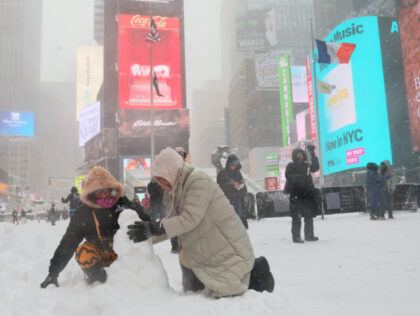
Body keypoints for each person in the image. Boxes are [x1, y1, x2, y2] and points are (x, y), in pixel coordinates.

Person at [127, 148, 274, 297]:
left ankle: (258, 271)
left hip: (225, 242)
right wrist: (145, 237)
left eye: (162, 179)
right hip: (206, 246)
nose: (162, 185)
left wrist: (154, 229)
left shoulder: (197, 180)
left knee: (227, 284)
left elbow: (190, 218)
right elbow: (172, 224)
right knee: (197, 289)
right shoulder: (174, 189)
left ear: (171, 171)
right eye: (158, 180)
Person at [40, 166, 150, 288]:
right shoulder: (83, 212)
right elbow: (68, 243)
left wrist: (145, 220)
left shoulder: (123, 203)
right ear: (92, 194)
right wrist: (53, 272)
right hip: (99, 256)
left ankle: (133, 279)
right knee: (83, 252)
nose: (104, 194)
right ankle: (100, 282)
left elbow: (146, 225)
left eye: (107, 190)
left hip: (125, 255)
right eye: (99, 191)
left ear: (113, 189)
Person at [285, 145, 320, 243]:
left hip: (307, 194)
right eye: (298, 154)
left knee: (309, 215)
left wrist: (312, 152)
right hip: (296, 194)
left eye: (301, 154)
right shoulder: (291, 166)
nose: (300, 156)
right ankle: (296, 237)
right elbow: (288, 175)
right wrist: (300, 178)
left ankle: (309, 235)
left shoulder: (307, 165)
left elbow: (316, 167)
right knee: (297, 217)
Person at [216, 154, 248, 228]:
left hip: (238, 198)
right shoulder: (222, 173)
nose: (234, 166)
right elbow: (221, 186)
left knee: (239, 216)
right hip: (228, 199)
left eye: (236, 164)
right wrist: (233, 185)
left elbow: (241, 183)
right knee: (230, 217)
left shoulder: (237, 173)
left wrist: (242, 186)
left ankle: (238, 229)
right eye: (232, 164)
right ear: (229, 163)